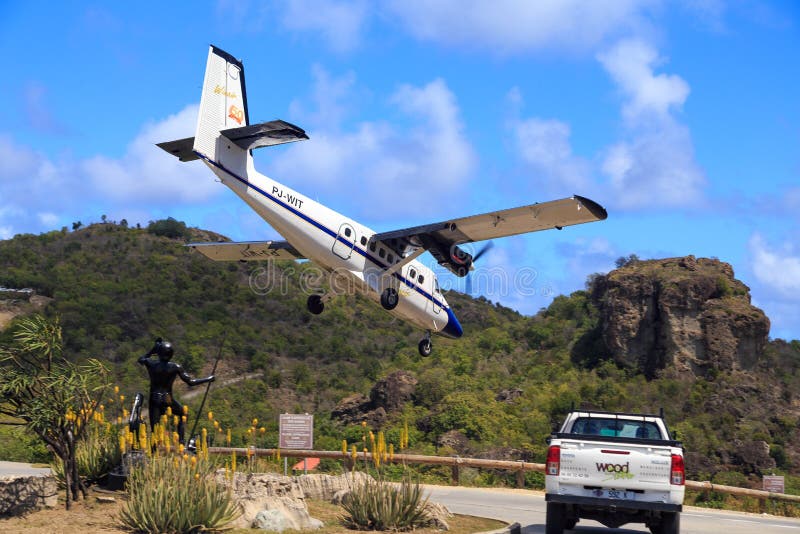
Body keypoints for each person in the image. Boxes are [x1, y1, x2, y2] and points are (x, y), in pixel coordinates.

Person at [137, 338, 215, 443]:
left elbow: (141, 359)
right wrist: (208, 379)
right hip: (167, 398)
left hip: (155, 399)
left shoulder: (151, 363)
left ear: (159, 353)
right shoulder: (175, 367)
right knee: (183, 413)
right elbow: (191, 382)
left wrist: (152, 350)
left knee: (155, 429)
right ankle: (181, 441)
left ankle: (154, 449)